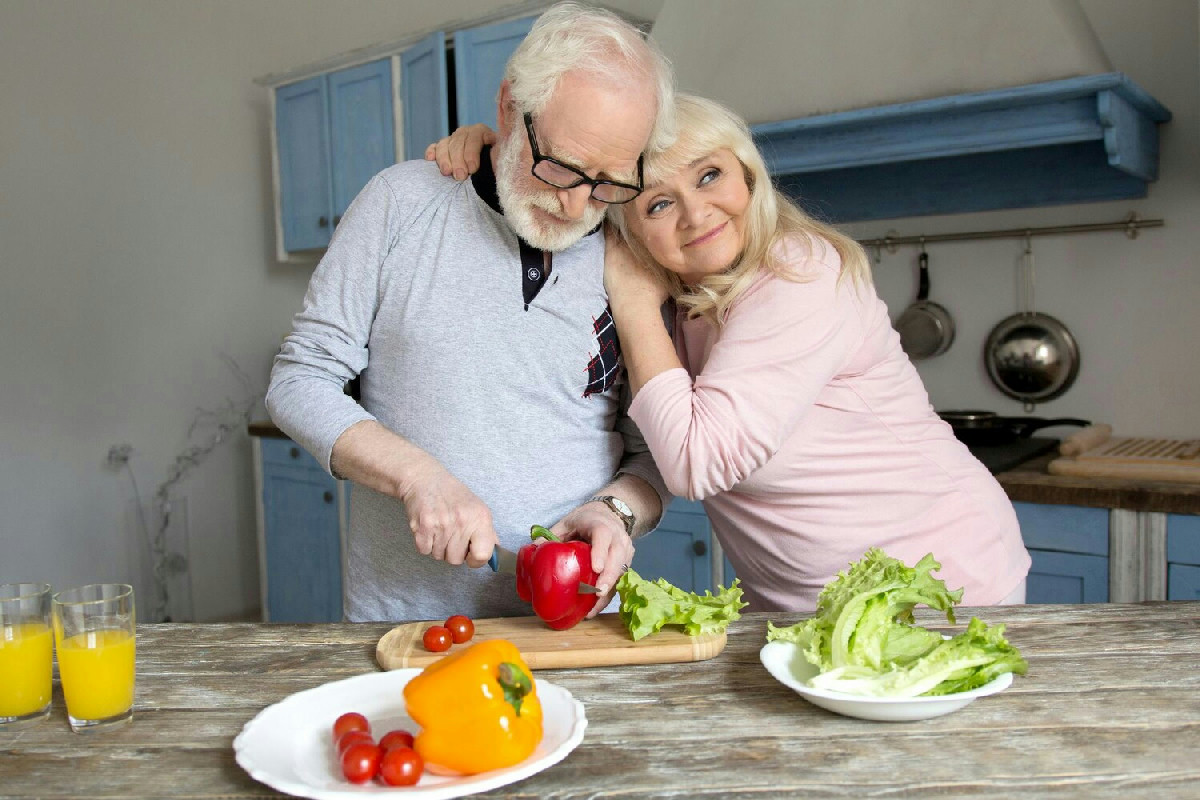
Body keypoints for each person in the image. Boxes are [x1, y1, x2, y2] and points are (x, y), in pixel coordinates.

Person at [427, 94, 1031, 613]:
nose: (695, 213)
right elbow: (565, 188)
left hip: (938, 581)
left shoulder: (798, 273)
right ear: (631, 233)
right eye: (658, 203)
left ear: (747, 173)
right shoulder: (687, 299)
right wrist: (500, 152)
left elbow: (696, 462)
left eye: (709, 175)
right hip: (804, 610)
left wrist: (633, 302)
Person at [266, 2, 677, 623]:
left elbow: (654, 454)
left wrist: (616, 510)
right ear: (510, 107)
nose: (574, 206)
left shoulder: (631, 258)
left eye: (606, 182)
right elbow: (301, 380)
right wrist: (416, 476)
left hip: (576, 627)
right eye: (560, 169)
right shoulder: (400, 204)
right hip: (408, 625)